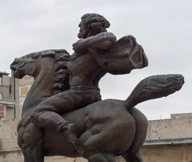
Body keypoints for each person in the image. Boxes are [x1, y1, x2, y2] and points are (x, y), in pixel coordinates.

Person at [23, 13, 146, 151]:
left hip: (79, 93)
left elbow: (109, 38)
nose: (79, 28)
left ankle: (65, 127)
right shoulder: (92, 49)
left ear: (89, 26)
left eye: (81, 25)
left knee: (38, 112)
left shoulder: (98, 45)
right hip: (92, 94)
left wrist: (84, 43)